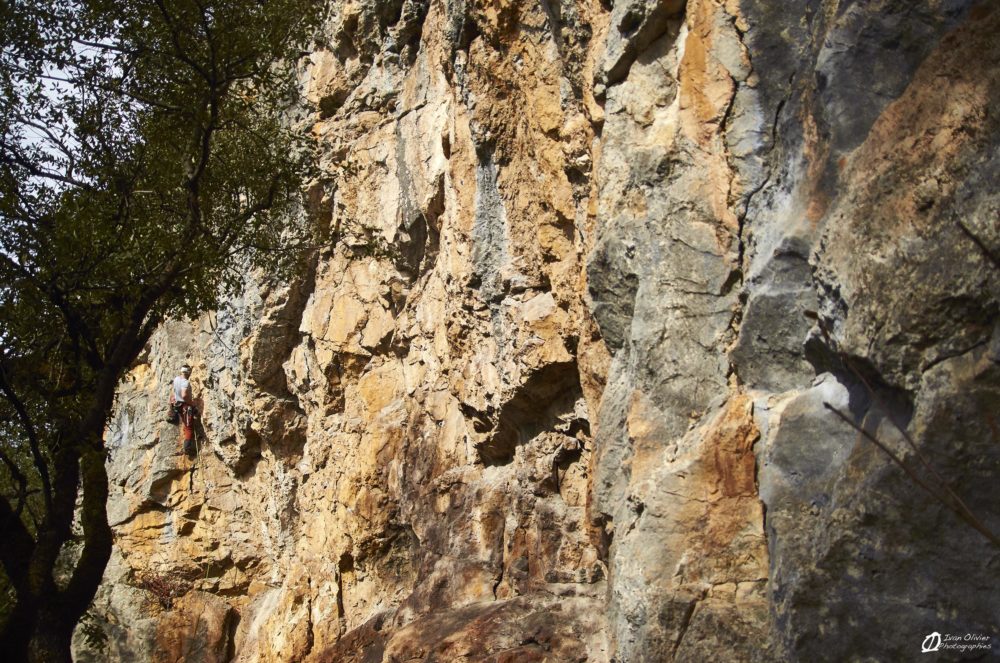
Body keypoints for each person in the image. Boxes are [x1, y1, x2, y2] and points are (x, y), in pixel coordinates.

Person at [170, 365, 198, 456]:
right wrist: (191, 403)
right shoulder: (185, 382)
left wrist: (171, 404)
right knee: (189, 426)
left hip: (178, 405)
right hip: (185, 406)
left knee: (186, 424)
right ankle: (188, 448)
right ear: (188, 372)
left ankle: (188, 445)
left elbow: (173, 392)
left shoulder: (176, 379)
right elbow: (184, 395)